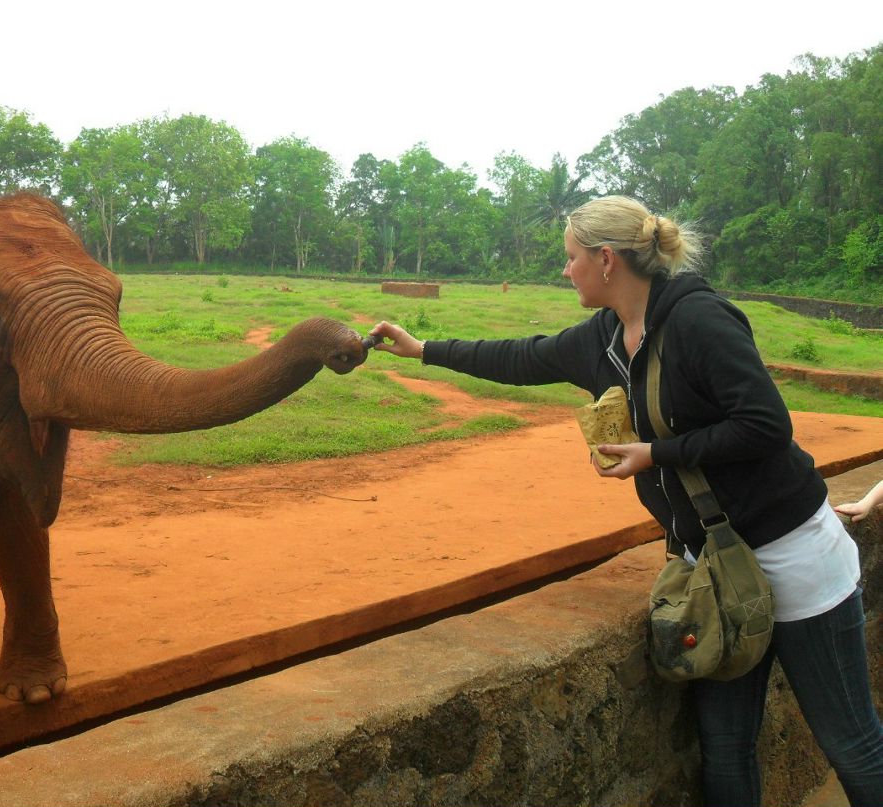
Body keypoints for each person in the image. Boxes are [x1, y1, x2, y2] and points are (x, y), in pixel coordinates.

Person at [367, 195, 883, 807]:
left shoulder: (700, 320)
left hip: (790, 552)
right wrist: (424, 349)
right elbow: (523, 355)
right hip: (708, 571)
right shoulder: (604, 337)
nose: (565, 271)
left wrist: (655, 455)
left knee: (849, 740)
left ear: (606, 260)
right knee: (726, 748)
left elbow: (767, 425)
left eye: (571, 258)